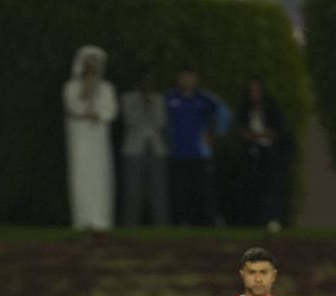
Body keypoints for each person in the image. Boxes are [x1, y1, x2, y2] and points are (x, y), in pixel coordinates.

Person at [166, 65, 230, 226]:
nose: (186, 81)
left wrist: (215, 134)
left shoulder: (205, 98)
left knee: (205, 190)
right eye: (183, 77)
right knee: (181, 191)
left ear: (195, 79)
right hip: (178, 152)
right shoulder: (171, 97)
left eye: (190, 77)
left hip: (200, 154)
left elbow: (225, 113)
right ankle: (183, 222)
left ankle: (210, 222)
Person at [63, 45, 117, 230]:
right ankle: (82, 220)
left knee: (100, 178)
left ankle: (101, 220)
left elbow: (111, 111)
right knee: (81, 178)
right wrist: (86, 91)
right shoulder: (71, 87)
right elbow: (72, 107)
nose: (91, 68)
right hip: (80, 140)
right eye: (88, 63)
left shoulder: (107, 88)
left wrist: (98, 114)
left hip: (99, 141)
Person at [234, 77, 290, 230]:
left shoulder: (271, 107)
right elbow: (240, 128)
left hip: (269, 153)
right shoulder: (244, 108)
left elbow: (278, 130)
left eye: (257, 90)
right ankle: (252, 221)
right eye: (252, 90)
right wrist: (250, 136)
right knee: (251, 187)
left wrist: (262, 135)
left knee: (271, 187)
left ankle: (272, 219)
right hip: (250, 154)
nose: (255, 94)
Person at [119, 70, 169, 227]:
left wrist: (151, 104)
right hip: (133, 150)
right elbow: (130, 121)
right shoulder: (127, 98)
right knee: (132, 191)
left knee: (159, 192)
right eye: (144, 81)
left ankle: (161, 226)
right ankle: (130, 226)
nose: (147, 84)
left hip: (156, 150)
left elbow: (161, 122)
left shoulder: (159, 99)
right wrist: (142, 104)